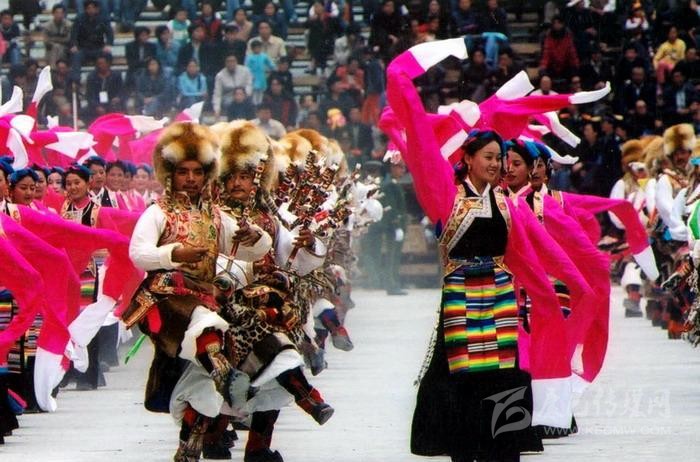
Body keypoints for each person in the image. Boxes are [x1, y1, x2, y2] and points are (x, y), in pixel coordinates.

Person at [121, 122, 271, 462]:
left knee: (200, 382)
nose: (190, 179)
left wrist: (254, 236)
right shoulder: (157, 213)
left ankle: (188, 449)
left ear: (206, 176)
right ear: (170, 175)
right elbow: (138, 253)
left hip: (206, 298)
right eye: (183, 172)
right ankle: (222, 369)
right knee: (205, 324)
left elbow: (255, 249)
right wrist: (173, 254)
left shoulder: (216, 217)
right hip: (168, 300)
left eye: (197, 172)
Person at [212, 122, 333, 461]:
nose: (238, 183)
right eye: (232, 176)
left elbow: (292, 261)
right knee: (272, 352)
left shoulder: (270, 216)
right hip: (227, 302)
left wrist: (309, 246)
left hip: (271, 302)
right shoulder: (213, 215)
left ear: (258, 178)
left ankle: (257, 448)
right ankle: (308, 397)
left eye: (246, 176)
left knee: (273, 376)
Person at [69, 0, 114, 82]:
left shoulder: (103, 19)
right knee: (76, 56)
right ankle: (76, 80)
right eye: (89, 8)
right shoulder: (79, 19)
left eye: (93, 8)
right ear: (85, 9)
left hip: (98, 48)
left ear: (97, 9)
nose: (91, 10)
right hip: (83, 48)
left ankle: (104, 78)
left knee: (107, 55)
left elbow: (110, 33)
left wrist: (108, 44)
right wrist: (74, 45)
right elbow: (73, 34)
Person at [85, 53, 125, 122]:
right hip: (97, 103)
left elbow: (122, 91)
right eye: (99, 64)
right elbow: (89, 95)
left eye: (103, 63)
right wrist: (97, 106)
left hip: (112, 102)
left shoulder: (116, 76)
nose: (100, 66)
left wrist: (118, 98)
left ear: (108, 64)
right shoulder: (92, 77)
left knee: (117, 108)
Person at [213, 53, 253, 118]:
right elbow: (217, 94)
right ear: (225, 63)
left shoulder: (246, 71)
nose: (231, 63)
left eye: (233, 61)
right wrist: (216, 109)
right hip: (229, 98)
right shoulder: (220, 75)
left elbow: (249, 85)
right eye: (228, 61)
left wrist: (243, 95)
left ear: (236, 61)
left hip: (244, 96)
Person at [245, 39, 275, 106]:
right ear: (252, 49)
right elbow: (246, 68)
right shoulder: (249, 58)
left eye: (258, 47)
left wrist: (273, 68)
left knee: (261, 93)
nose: (257, 49)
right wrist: (250, 76)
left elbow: (270, 63)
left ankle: (260, 105)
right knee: (254, 93)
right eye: (255, 48)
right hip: (253, 77)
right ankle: (254, 106)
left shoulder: (264, 56)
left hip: (261, 76)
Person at [43, 4, 73, 68]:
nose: (59, 15)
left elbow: (68, 39)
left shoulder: (68, 25)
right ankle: (54, 68)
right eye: (57, 13)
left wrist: (53, 39)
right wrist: (57, 42)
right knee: (56, 47)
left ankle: (54, 68)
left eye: (61, 13)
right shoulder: (47, 26)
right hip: (51, 49)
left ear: (64, 14)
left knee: (59, 48)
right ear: (53, 14)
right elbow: (46, 41)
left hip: (65, 49)